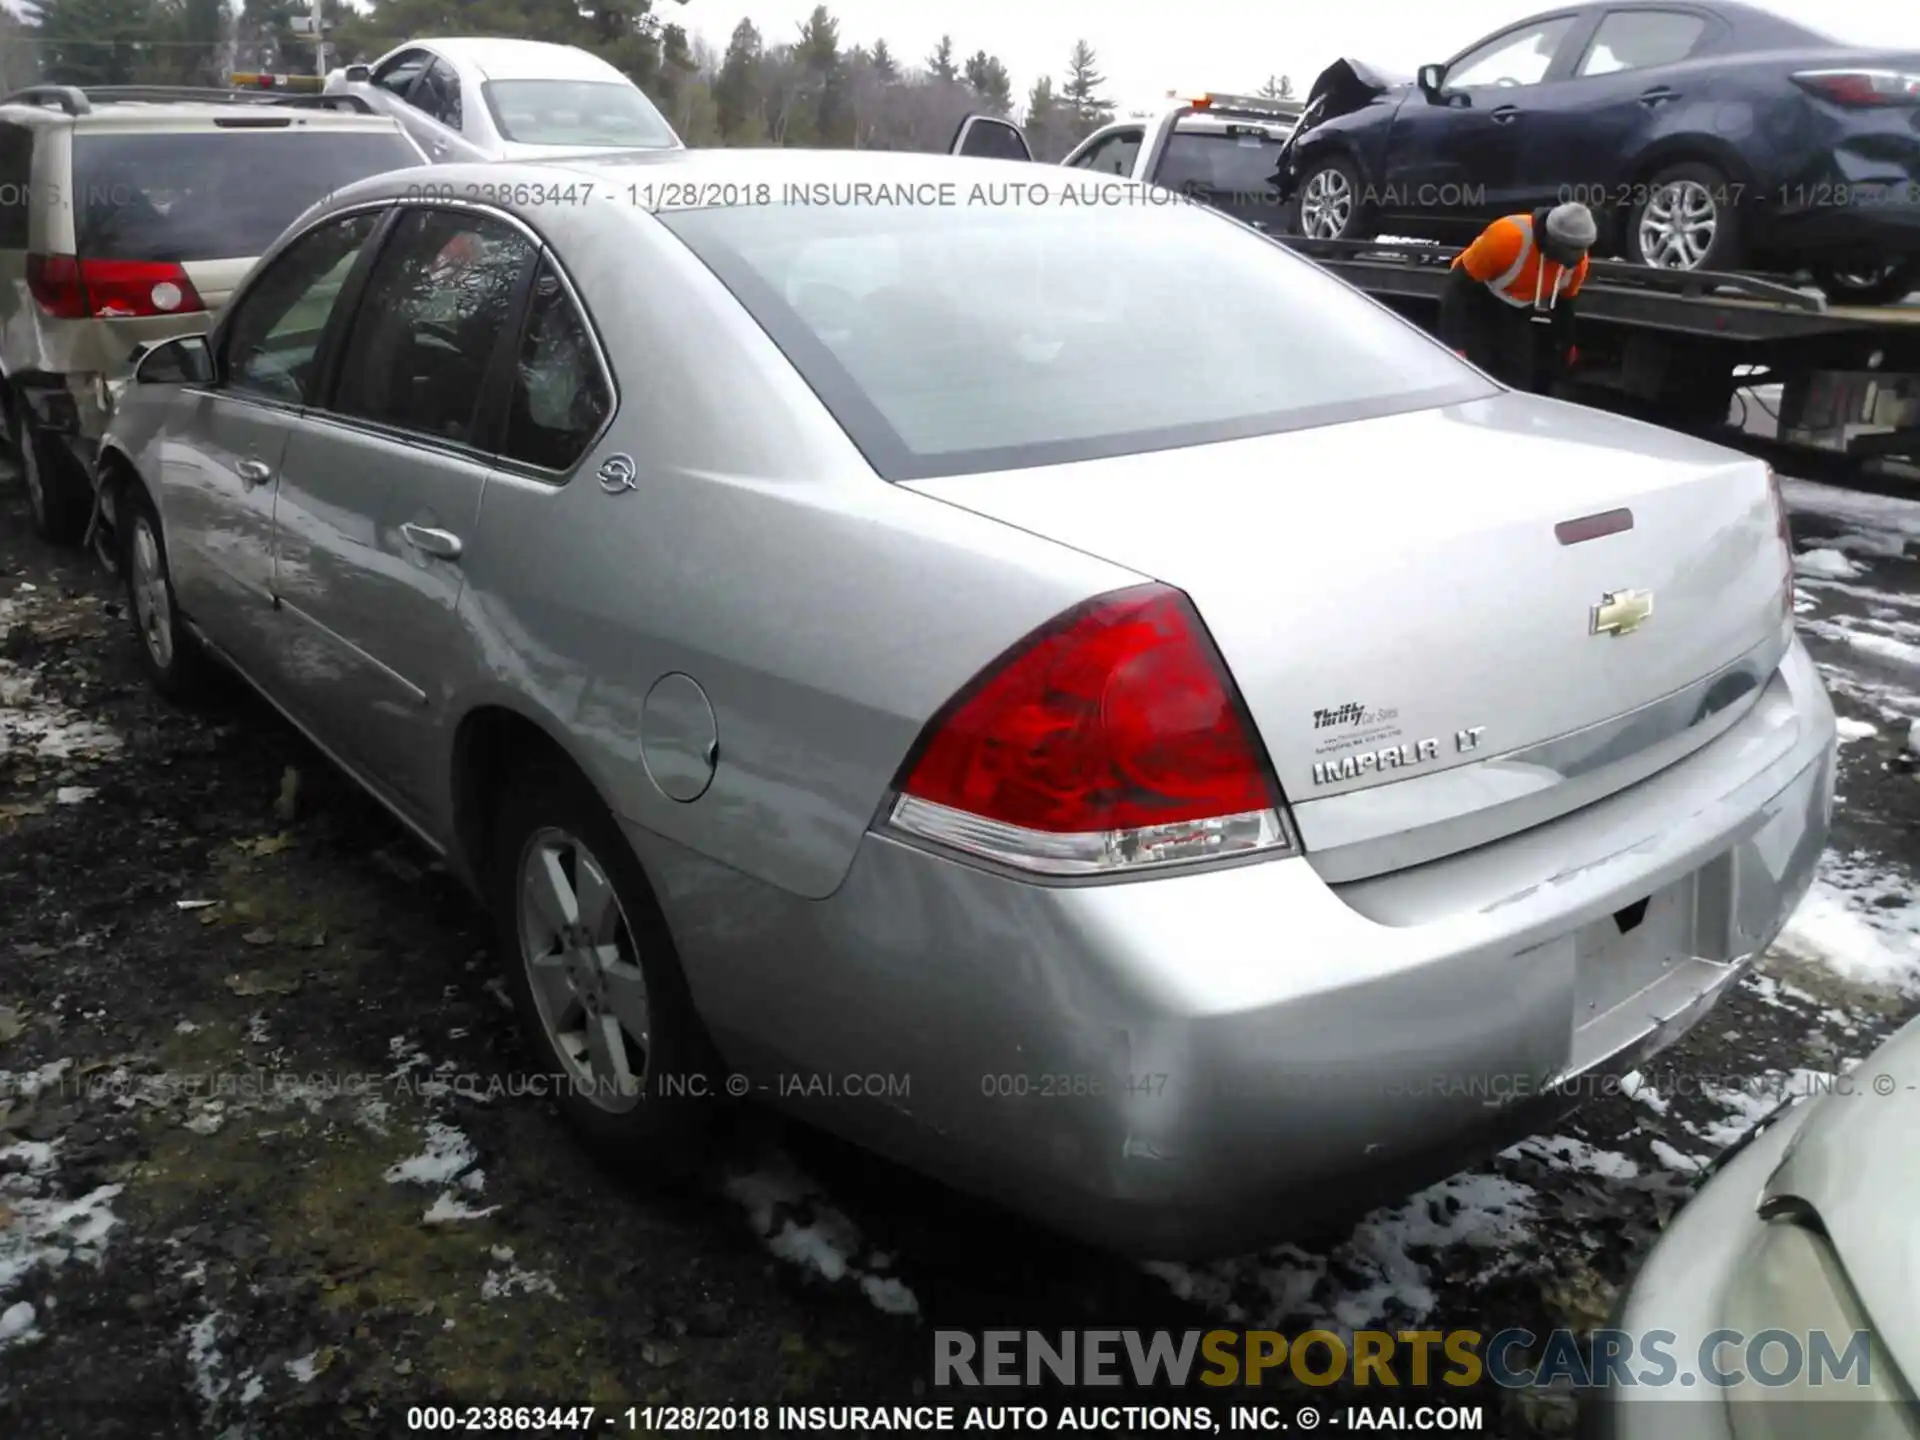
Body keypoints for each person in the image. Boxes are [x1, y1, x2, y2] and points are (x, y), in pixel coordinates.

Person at [1439, 202, 1596, 393]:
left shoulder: (1577, 263)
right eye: (1568, 249)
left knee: (1518, 376)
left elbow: (1564, 307)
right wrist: (1454, 344)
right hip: (1478, 298)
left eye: (1580, 250)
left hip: (1518, 309)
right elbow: (1457, 288)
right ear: (1551, 239)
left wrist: (1567, 346)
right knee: (1478, 373)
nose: (1575, 257)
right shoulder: (1508, 237)